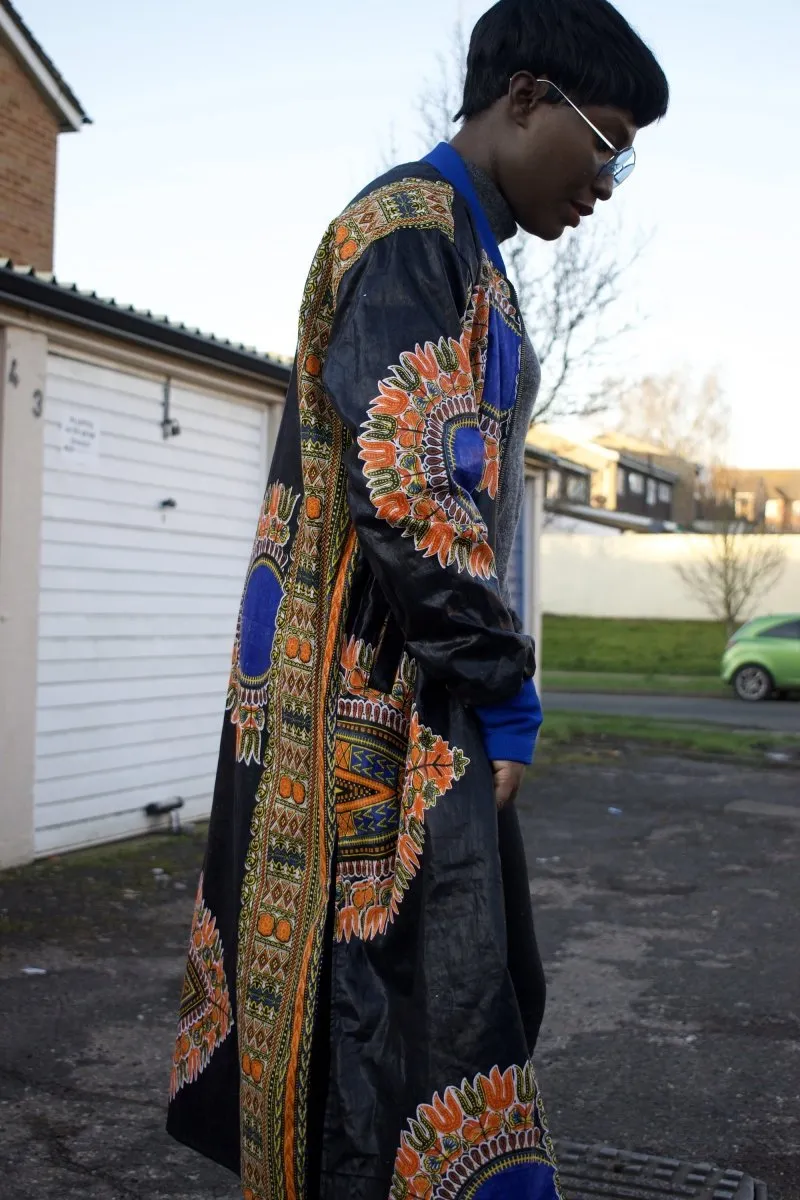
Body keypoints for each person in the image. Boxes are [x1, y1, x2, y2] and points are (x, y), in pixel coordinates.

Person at [166, 1, 669, 1196]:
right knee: (391, 1022)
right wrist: (506, 691)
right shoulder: (409, 234)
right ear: (525, 97)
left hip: (402, 700)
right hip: (358, 713)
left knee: (434, 998)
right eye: (606, 142)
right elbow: (409, 500)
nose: (611, 178)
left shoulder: (465, 246)